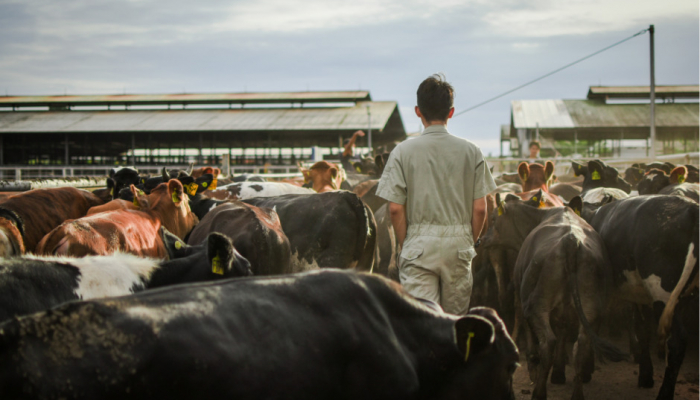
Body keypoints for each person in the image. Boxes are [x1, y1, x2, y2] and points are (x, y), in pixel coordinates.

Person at [375, 74, 497, 315]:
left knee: (423, 321)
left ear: (418, 111)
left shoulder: (402, 152)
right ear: (451, 112)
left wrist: (405, 244)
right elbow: (481, 209)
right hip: (459, 242)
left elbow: (396, 208)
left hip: (418, 243)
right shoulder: (472, 151)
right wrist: (466, 240)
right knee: (454, 323)